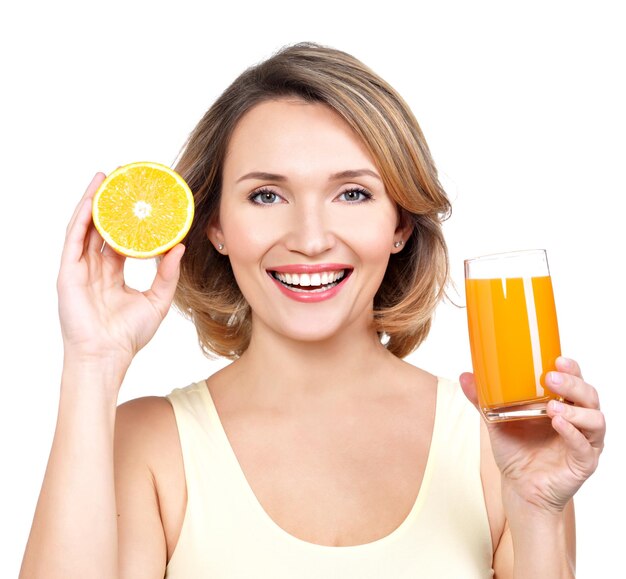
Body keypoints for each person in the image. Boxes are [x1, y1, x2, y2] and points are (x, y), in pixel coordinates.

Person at [20, 42, 605, 578]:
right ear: (217, 226)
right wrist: (92, 363)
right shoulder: (147, 444)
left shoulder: (498, 442)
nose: (310, 237)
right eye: (266, 195)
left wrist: (538, 511)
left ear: (399, 223)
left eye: (352, 193)